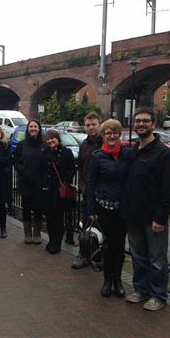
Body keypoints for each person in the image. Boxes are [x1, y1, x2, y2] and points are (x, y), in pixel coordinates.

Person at [121, 107, 170, 311]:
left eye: (145, 121)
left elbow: (168, 190)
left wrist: (160, 218)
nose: (141, 124)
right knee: (139, 257)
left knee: (157, 261)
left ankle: (158, 295)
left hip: (153, 218)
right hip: (134, 215)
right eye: (137, 121)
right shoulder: (133, 151)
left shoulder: (163, 154)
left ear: (153, 124)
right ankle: (141, 290)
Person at [86, 119, 131, 298]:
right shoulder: (97, 157)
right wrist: (91, 209)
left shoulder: (127, 154)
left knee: (119, 246)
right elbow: (91, 184)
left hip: (122, 208)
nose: (111, 136)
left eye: (115, 132)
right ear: (103, 136)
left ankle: (118, 281)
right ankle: (107, 280)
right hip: (103, 207)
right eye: (108, 133)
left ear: (119, 134)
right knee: (108, 244)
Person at [72, 112, 103, 269]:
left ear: (100, 124)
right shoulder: (84, 144)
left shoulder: (106, 142)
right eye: (88, 125)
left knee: (102, 227)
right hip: (87, 193)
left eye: (94, 124)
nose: (91, 127)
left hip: (103, 195)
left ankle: (99, 257)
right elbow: (81, 167)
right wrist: (82, 186)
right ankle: (83, 255)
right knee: (86, 226)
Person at [40, 129, 76, 254]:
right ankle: (51, 239)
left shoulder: (66, 152)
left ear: (58, 139)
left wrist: (65, 181)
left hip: (60, 189)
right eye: (48, 139)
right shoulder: (44, 152)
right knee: (49, 216)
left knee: (58, 216)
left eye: (53, 138)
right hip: (48, 189)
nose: (50, 141)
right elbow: (41, 170)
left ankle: (57, 242)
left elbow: (72, 169)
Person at [12, 119, 46, 244]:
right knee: (26, 208)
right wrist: (22, 169)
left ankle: (37, 233)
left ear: (39, 129)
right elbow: (15, 160)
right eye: (30, 126)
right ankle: (27, 233)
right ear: (28, 129)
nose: (32, 128)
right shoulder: (22, 144)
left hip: (39, 183)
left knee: (38, 208)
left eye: (35, 126)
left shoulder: (44, 145)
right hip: (25, 181)